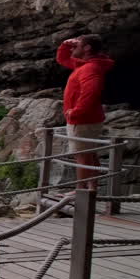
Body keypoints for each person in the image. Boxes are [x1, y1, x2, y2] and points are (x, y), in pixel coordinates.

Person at [55, 34, 114, 191]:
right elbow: (62, 59)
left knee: (82, 155)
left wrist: (76, 112)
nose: (73, 48)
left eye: (77, 45)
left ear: (87, 48)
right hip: (88, 118)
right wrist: (65, 45)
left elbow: (91, 92)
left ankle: (80, 191)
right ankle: (91, 189)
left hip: (82, 120)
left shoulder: (89, 68)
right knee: (89, 154)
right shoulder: (84, 65)